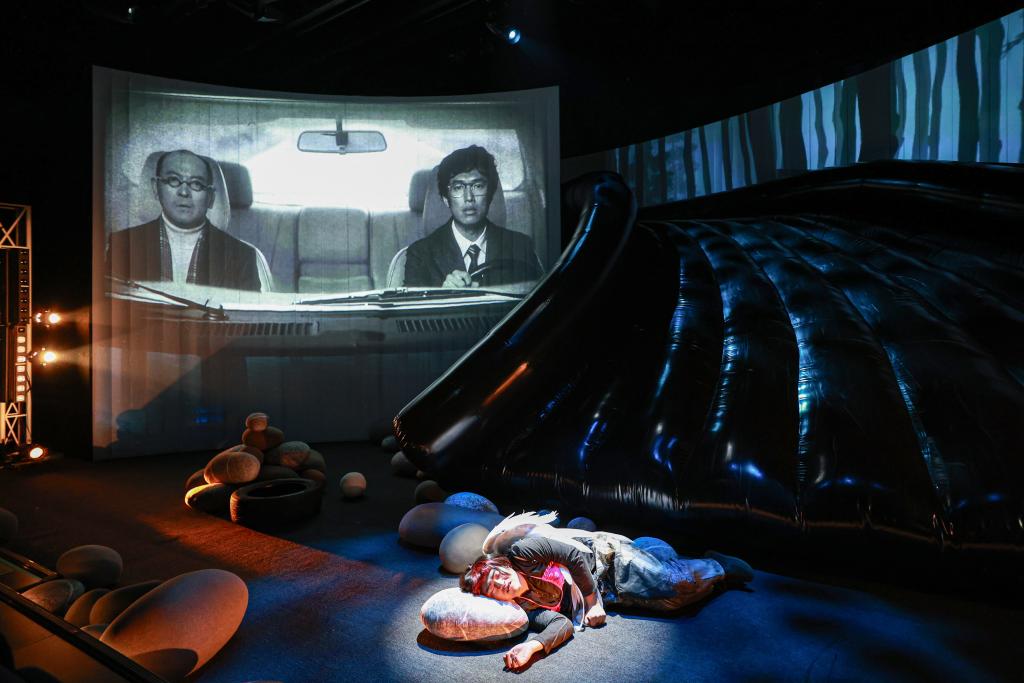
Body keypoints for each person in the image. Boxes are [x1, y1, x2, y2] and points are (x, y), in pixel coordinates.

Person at [461, 533, 753, 672]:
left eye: (497, 575)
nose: (500, 583)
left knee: (673, 584)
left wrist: (591, 603)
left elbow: (572, 556)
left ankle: (719, 566)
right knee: (670, 605)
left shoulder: (522, 553)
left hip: (607, 561)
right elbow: (561, 623)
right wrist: (532, 647)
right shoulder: (526, 606)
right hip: (609, 594)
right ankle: (655, 550)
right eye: (492, 588)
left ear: (503, 565)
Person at [107, 149, 271, 292]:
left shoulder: (242, 257)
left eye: (196, 184)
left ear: (210, 197)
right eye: (173, 180)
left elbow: (247, 319)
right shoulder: (122, 244)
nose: (184, 192)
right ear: (156, 188)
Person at [403, 145, 543, 288]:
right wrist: (442, 294)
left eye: (478, 186)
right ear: (446, 199)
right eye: (458, 188)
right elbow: (413, 302)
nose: (469, 198)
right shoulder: (420, 254)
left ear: (490, 195)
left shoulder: (520, 246)